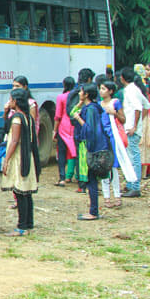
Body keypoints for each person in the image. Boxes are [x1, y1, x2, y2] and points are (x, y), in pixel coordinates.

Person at [1, 88, 40, 235]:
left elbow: (14, 140)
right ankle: (28, 223)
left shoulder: (17, 118)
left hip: (19, 158)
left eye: (10, 99)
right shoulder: (28, 117)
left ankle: (21, 226)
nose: (9, 102)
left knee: (20, 192)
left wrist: (7, 159)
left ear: (15, 101)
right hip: (27, 156)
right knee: (26, 192)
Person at [73, 83, 107, 221]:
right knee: (91, 180)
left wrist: (78, 119)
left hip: (92, 148)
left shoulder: (91, 110)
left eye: (81, 92)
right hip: (95, 147)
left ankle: (93, 212)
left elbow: (89, 129)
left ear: (86, 94)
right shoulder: (92, 108)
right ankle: (93, 210)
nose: (79, 93)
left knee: (92, 180)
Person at [119, 67, 148, 196]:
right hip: (131, 128)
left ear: (122, 78)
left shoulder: (130, 90)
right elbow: (146, 105)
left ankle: (135, 186)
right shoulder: (135, 89)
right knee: (130, 157)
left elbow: (138, 108)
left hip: (131, 129)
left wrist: (135, 126)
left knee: (134, 157)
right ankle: (130, 184)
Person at [53, 76, 78, 187]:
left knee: (62, 153)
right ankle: (79, 177)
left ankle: (62, 178)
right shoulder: (77, 96)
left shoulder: (61, 97)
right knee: (76, 152)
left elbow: (58, 115)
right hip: (74, 125)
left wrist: (54, 130)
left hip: (63, 127)